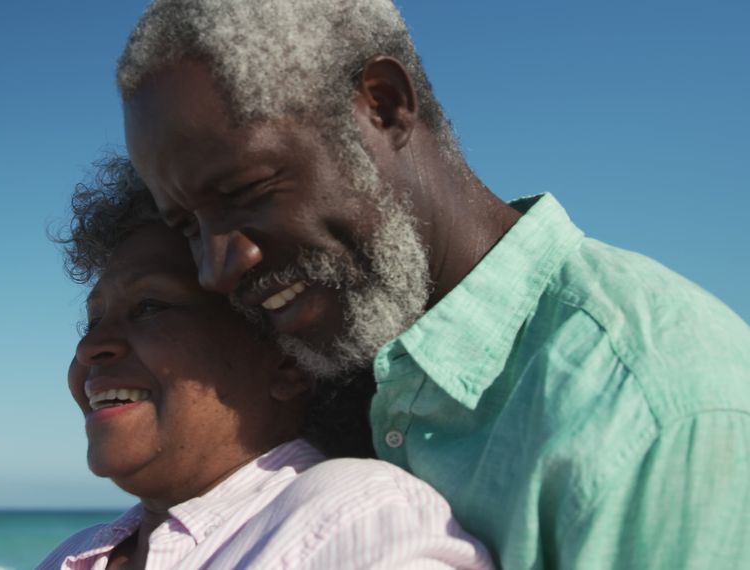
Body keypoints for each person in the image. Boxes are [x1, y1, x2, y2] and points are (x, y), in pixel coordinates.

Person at [116, 1, 750, 568]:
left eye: (247, 190)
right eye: (188, 227)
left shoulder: (651, 406)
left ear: (383, 105)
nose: (217, 268)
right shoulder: (328, 363)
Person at [37, 158, 492, 569]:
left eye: (151, 306)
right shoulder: (80, 553)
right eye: (92, 321)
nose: (90, 347)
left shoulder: (356, 520)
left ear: (288, 360)